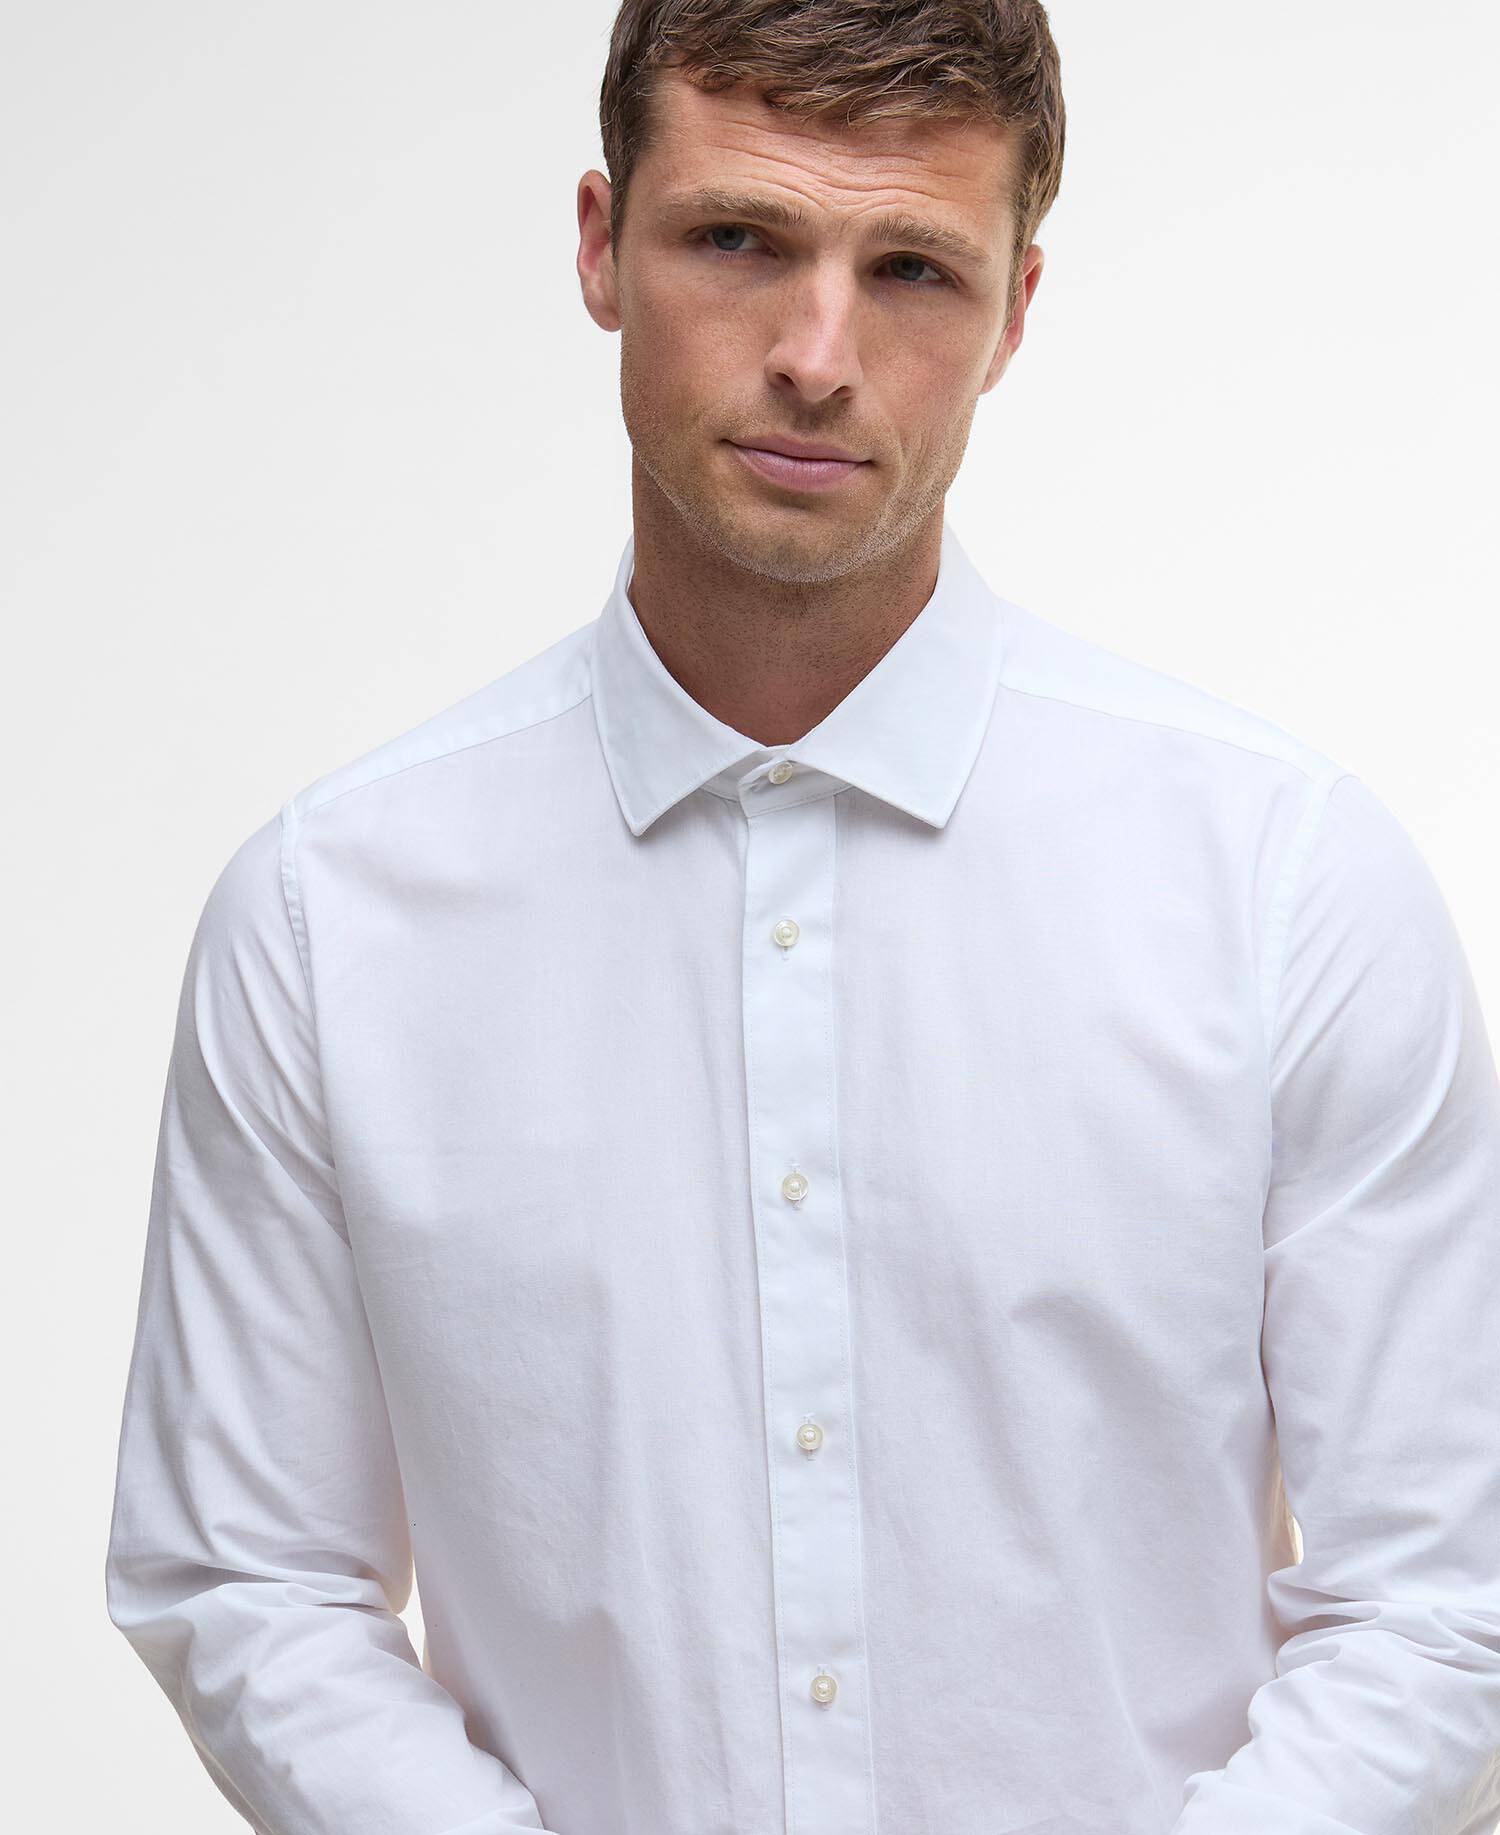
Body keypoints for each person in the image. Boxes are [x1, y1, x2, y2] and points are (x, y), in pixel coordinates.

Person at [104, 3, 1500, 1832]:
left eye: (912, 268)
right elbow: (248, 1580)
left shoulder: (1290, 888)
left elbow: (1442, 1604)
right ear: (601, 245)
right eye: (739, 239)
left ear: (1014, 311)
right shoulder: (323, 922)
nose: (818, 358)